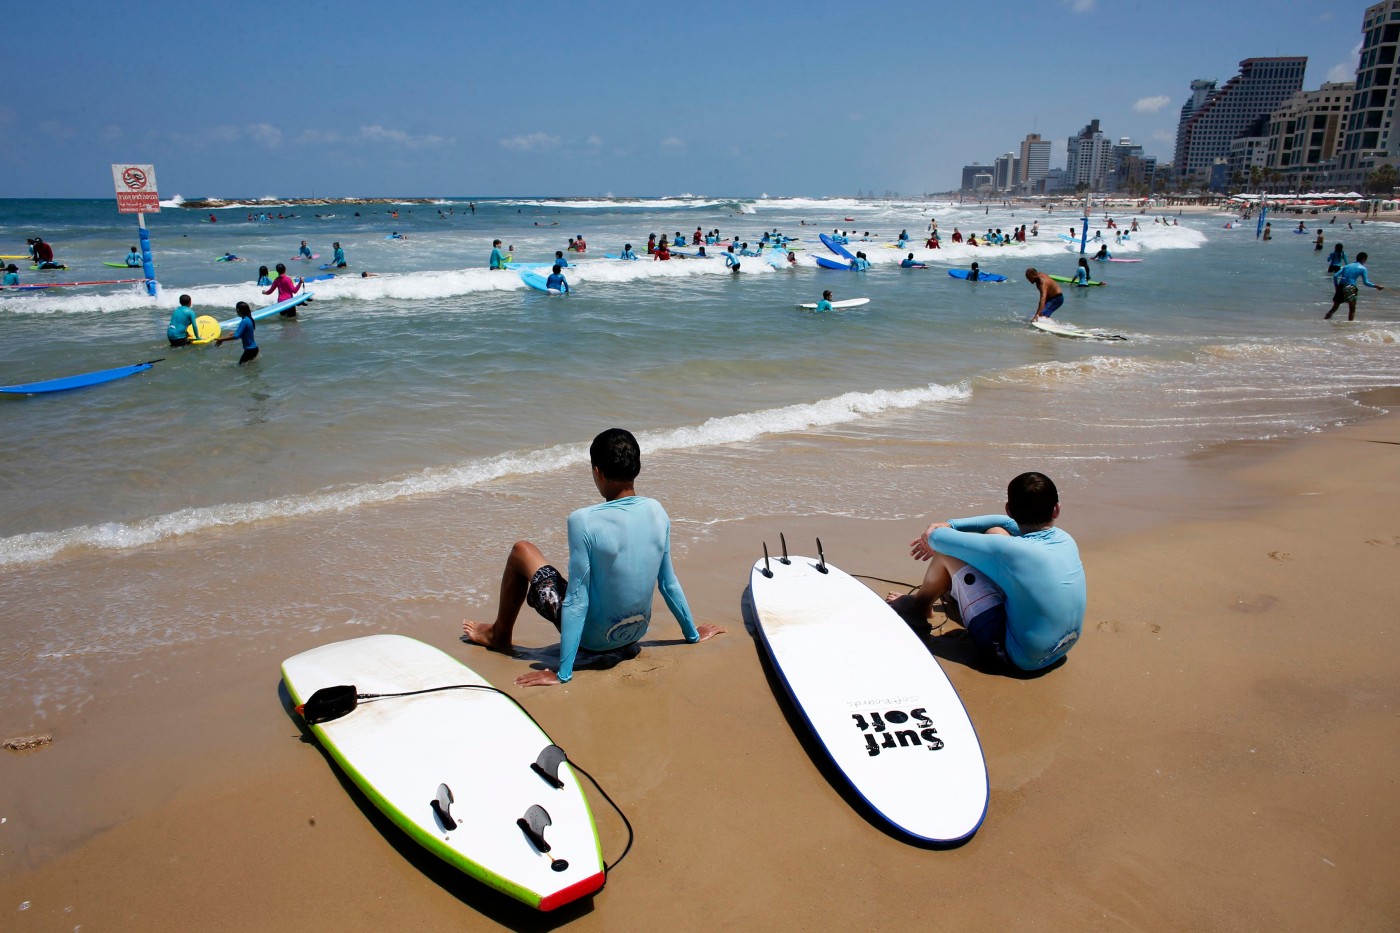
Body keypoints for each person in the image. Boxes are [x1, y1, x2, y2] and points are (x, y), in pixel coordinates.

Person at [460, 428, 725, 686]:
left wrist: (562, 673)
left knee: (522, 550)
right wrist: (692, 634)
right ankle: (499, 633)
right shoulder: (657, 511)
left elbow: (577, 598)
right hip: (634, 632)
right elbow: (668, 583)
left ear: (597, 472)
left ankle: (499, 634)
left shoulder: (583, 521)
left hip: (595, 641)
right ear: (637, 467)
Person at [886, 472, 1085, 673]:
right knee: (995, 531)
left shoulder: (1006, 550)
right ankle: (955, 595)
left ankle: (918, 609)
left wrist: (940, 528)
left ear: (1009, 509)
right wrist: (952, 525)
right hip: (1061, 650)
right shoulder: (1065, 539)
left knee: (945, 554)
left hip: (1016, 659)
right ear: (1056, 510)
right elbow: (1003, 524)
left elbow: (937, 539)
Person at [1325, 251, 1384, 321]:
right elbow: (1366, 282)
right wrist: (1376, 286)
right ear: (1363, 258)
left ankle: (1324, 320)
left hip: (1341, 286)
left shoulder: (1347, 266)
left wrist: (1337, 287)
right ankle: (1350, 327)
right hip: (1350, 287)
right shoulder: (1362, 268)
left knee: (1334, 308)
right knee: (1352, 310)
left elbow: (1335, 276)